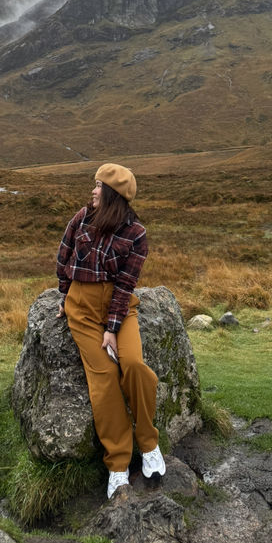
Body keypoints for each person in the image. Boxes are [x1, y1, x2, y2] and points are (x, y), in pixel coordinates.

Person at [56, 163, 166, 499]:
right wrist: (64, 294)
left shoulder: (137, 235)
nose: (92, 191)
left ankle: (149, 443)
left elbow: (125, 284)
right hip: (82, 310)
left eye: (98, 186)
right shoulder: (82, 217)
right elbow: (64, 256)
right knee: (103, 379)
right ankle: (117, 465)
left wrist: (113, 328)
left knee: (133, 365)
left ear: (112, 195)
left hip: (119, 307)